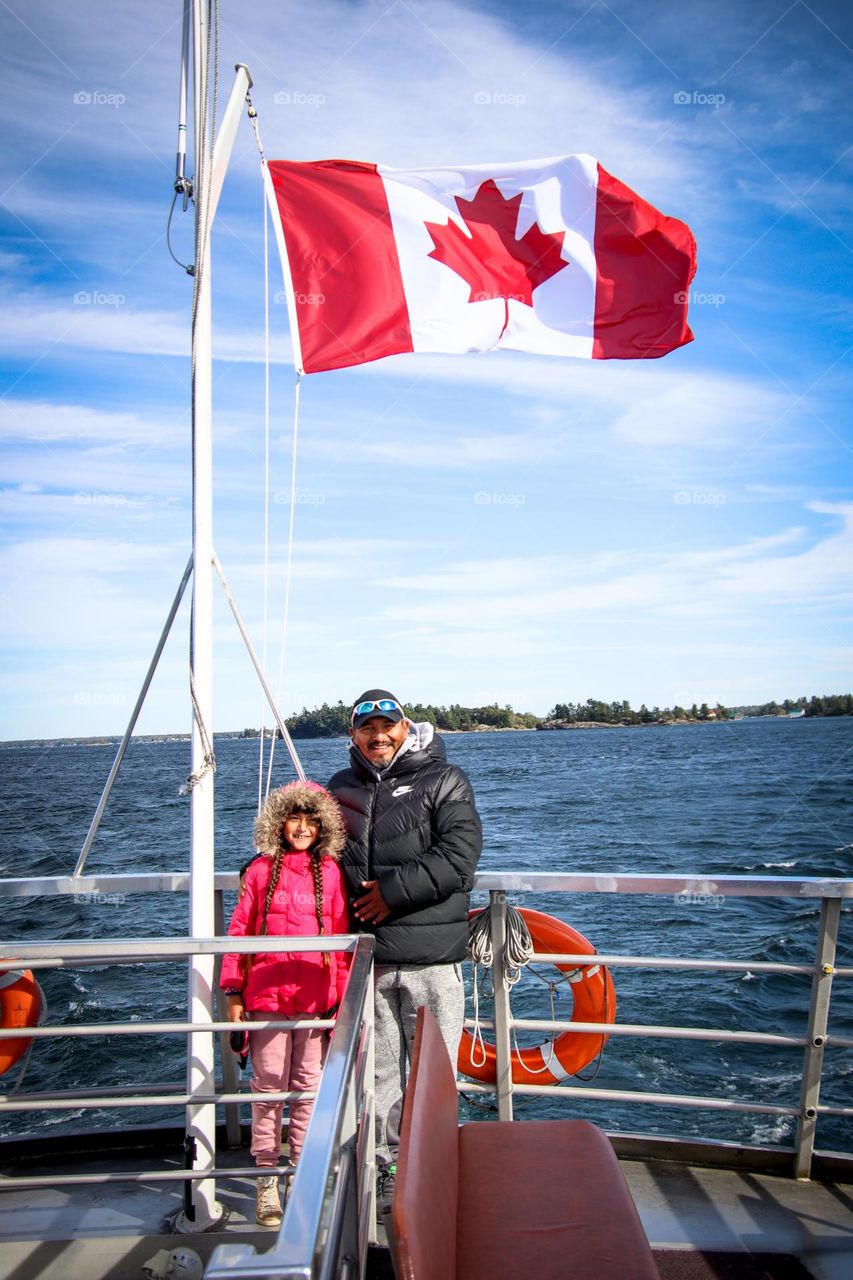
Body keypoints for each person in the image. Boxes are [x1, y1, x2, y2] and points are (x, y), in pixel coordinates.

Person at [327, 689, 482, 1209]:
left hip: (433, 961)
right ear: (353, 735)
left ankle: (438, 1170)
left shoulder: (445, 779)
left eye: (387, 724)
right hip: (370, 959)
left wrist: (389, 896)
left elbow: (459, 858)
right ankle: (388, 1169)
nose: (379, 735)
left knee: (435, 1075)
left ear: (404, 726)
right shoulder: (339, 788)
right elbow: (312, 852)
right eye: (367, 728)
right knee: (381, 1075)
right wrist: (263, 869)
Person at [221, 780, 350, 1227]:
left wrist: (342, 998)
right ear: (278, 823)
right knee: (268, 1088)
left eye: (310, 820)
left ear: (323, 827)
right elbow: (239, 932)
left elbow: (340, 940)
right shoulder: (259, 870)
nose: (300, 827)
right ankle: (266, 1179)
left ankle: (301, 1175)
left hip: (315, 1002)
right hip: (266, 1000)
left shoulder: (330, 873)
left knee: (308, 1091)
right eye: (293, 818)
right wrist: (233, 990)